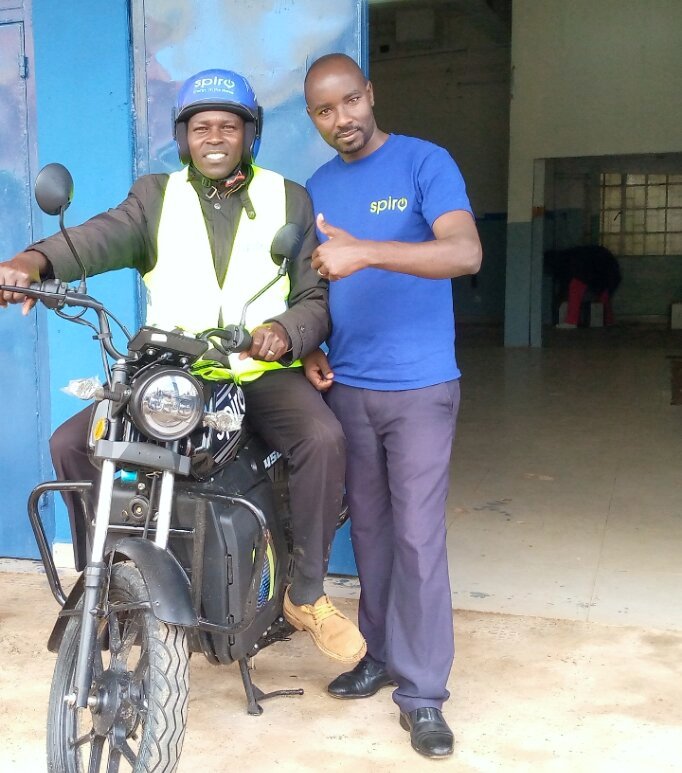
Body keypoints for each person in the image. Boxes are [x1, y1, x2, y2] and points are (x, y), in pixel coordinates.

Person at [0, 68, 365, 665]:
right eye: (201, 128)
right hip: (173, 373)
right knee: (71, 443)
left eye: (228, 126)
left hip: (256, 370)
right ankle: (106, 582)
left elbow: (314, 299)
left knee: (323, 439)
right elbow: (95, 238)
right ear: (183, 137)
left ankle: (306, 593)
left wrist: (284, 333)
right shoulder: (155, 197)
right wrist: (33, 261)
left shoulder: (289, 197)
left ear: (250, 135)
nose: (215, 137)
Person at [302, 54, 482, 759]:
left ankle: (424, 692)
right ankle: (377, 655)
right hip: (348, 387)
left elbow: (464, 252)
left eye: (350, 101)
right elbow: (315, 287)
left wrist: (369, 252)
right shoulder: (318, 187)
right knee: (371, 533)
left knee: (417, 537)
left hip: (420, 388)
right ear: (313, 118)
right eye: (325, 110)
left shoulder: (423, 162)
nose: (341, 118)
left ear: (370, 95)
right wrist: (309, 350)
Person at [544, 245, 621, 328]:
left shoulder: (568, 262)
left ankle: (571, 321)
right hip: (609, 269)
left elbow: (568, 283)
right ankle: (608, 320)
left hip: (600, 268)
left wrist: (560, 298)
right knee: (603, 296)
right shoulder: (570, 257)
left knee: (576, 287)